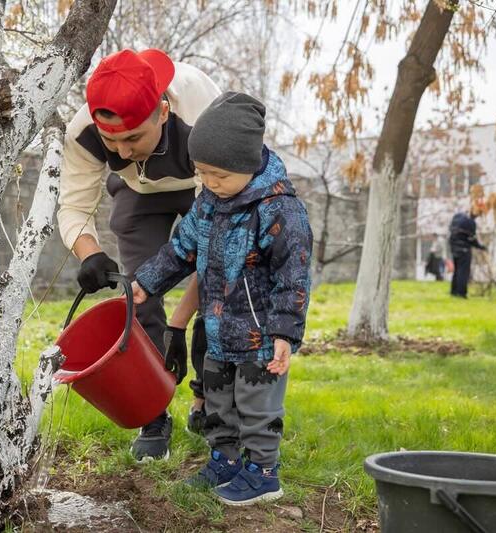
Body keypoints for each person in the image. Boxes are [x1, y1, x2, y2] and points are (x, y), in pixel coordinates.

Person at [131, 92, 313, 505]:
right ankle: (225, 460)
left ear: (246, 163)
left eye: (219, 175)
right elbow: (182, 249)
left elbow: (294, 276)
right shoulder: (209, 205)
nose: (210, 183)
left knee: (256, 406)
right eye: (202, 174)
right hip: (216, 330)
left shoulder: (279, 210)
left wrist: (285, 333)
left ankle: (264, 473)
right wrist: (147, 282)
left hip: (260, 338)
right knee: (219, 401)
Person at [57, 48, 221, 461]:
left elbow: (217, 238)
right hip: (138, 192)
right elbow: (74, 206)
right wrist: (89, 252)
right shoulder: (83, 131)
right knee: (139, 290)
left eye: (132, 138)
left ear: (162, 112)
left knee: (221, 283)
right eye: (112, 141)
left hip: (207, 186)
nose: (123, 152)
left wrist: (179, 325)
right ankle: (153, 411)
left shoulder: (201, 116)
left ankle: (208, 397)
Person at [449, 209, 486, 298]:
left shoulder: (457, 217)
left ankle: (454, 291)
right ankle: (461, 293)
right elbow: (471, 239)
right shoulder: (470, 223)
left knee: (457, 270)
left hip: (454, 247)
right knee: (463, 271)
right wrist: (480, 247)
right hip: (464, 248)